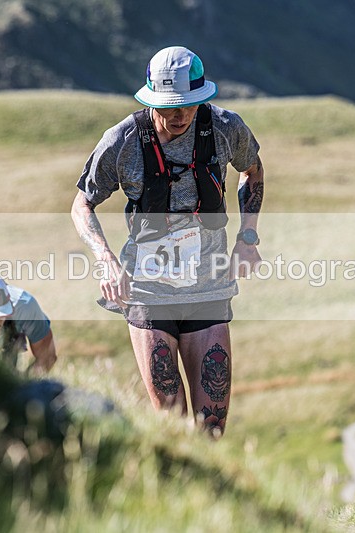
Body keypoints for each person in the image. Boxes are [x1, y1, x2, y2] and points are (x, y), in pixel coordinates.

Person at [71, 46, 264, 437]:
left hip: (208, 285)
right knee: (172, 424)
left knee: (212, 426)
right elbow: (81, 205)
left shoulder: (226, 128)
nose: (179, 115)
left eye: (189, 105)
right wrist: (105, 258)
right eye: (169, 106)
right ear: (151, 98)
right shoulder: (122, 140)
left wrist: (247, 236)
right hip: (147, 289)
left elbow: (253, 170)